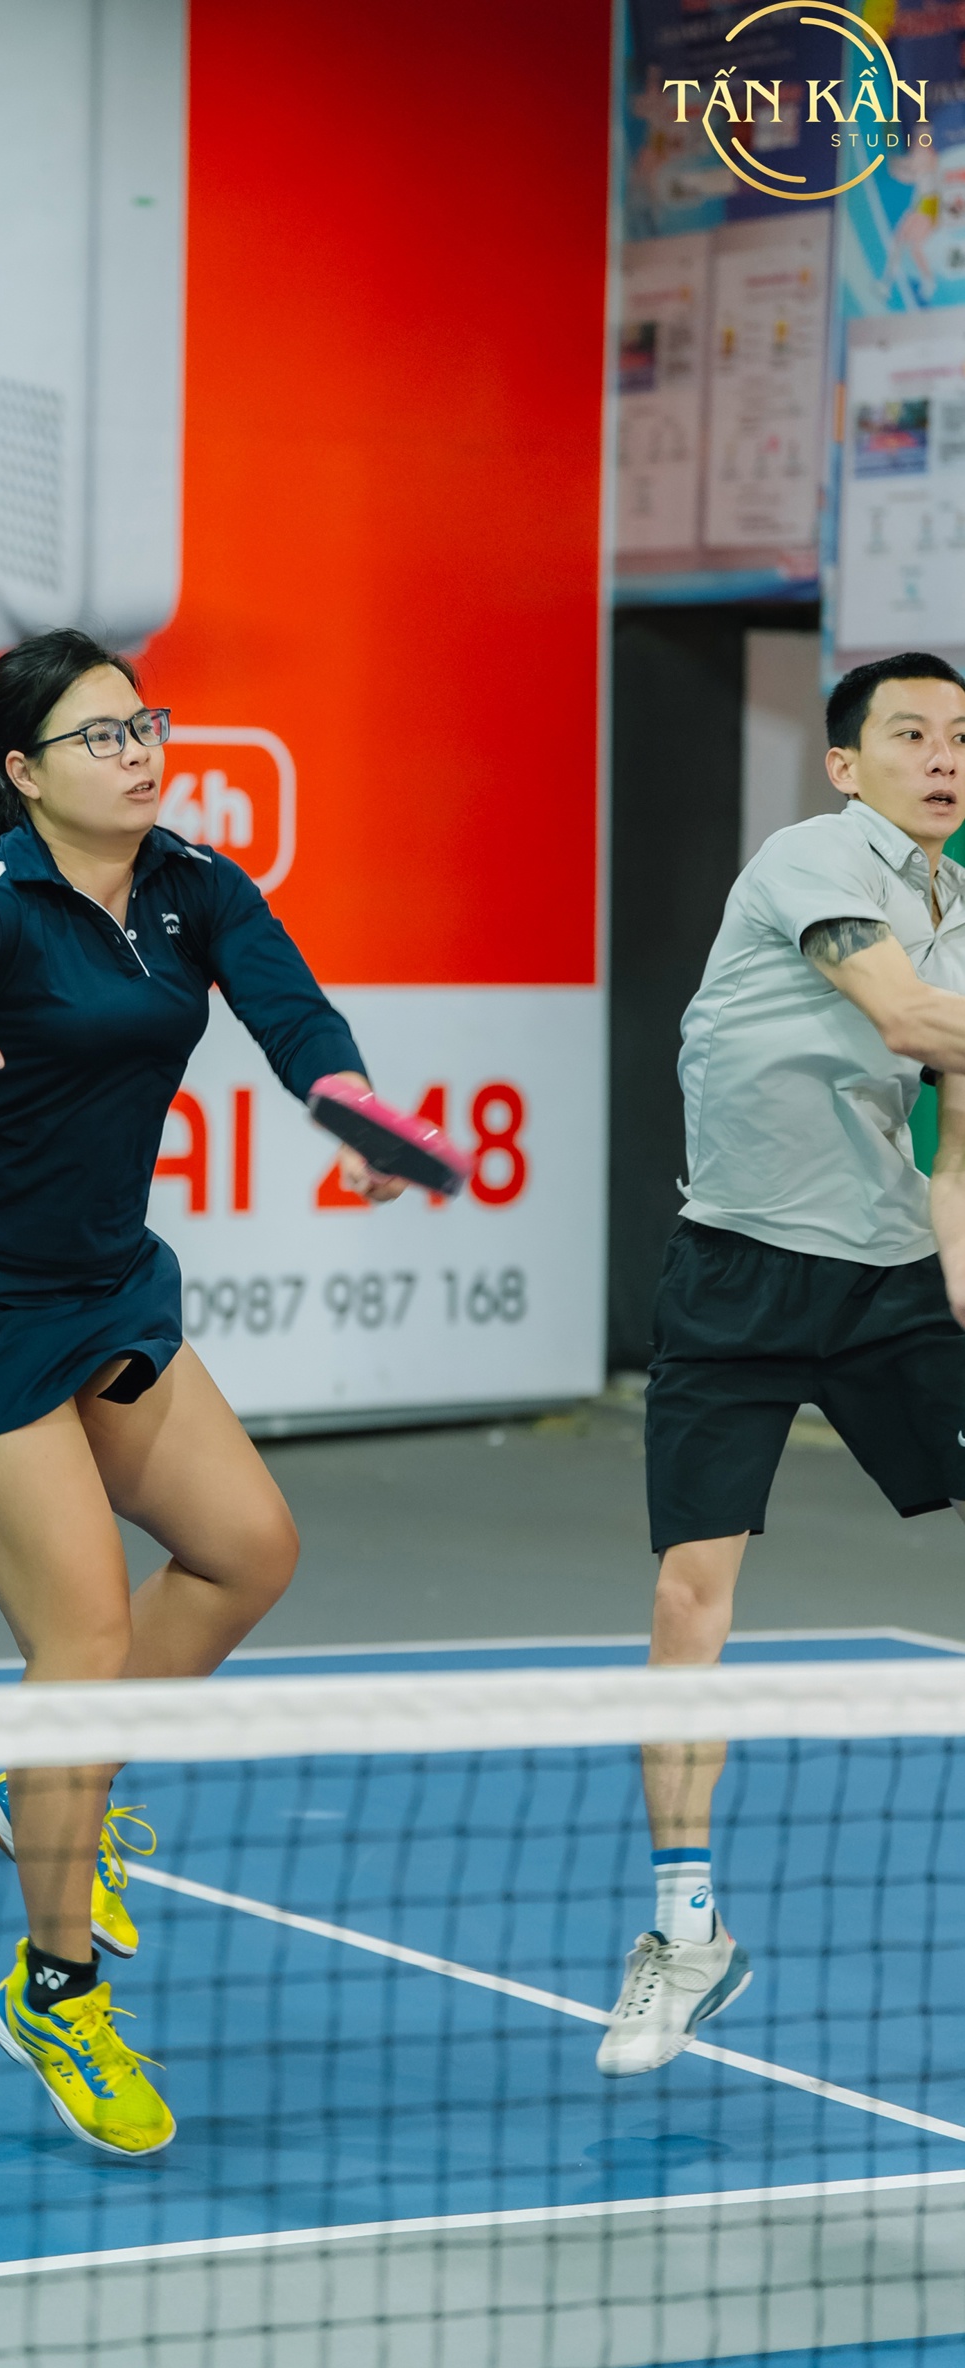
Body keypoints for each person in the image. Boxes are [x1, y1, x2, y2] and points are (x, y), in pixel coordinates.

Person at [0, 628, 398, 2156]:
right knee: (77, 1639)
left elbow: (294, 1019)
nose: (139, 753)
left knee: (247, 1550)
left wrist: (352, 1114)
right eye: (101, 736)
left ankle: (48, 1790)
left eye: (146, 725)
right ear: (24, 772)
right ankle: (57, 1989)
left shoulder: (196, 886)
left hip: (103, 1288)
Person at [597, 650, 965, 2079]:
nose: (944, 757)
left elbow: (953, 1141)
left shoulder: (958, 913)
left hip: (888, 1283)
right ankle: (685, 1931)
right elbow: (909, 1022)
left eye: (961, 736)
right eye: (912, 734)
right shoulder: (812, 860)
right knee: (690, 1600)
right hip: (737, 1279)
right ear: (845, 765)